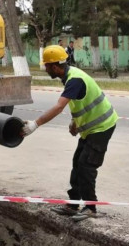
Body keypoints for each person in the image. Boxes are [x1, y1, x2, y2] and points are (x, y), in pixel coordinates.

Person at [21, 45, 118, 222]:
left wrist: (35, 124)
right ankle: (73, 205)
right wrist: (75, 122)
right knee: (77, 162)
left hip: (102, 127)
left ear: (55, 66)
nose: (45, 69)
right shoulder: (70, 76)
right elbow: (81, 101)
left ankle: (90, 208)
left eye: (47, 66)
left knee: (86, 165)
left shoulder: (74, 80)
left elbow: (59, 106)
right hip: (90, 129)